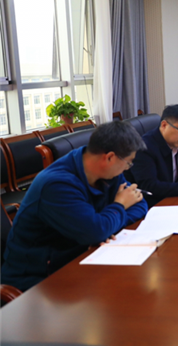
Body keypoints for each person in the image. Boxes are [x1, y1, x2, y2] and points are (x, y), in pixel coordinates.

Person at [1, 122, 148, 291]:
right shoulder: (57, 185)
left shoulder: (109, 172)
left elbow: (139, 203)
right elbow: (95, 231)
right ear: (109, 157)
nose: (127, 169)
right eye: (128, 163)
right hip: (37, 278)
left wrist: (107, 225)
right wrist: (119, 206)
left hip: (82, 258)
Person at [129, 105, 178, 208]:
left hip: (174, 200)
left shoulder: (177, 142)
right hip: (153, 206)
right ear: (164, 125)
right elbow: (150, 186)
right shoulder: (144, 148)